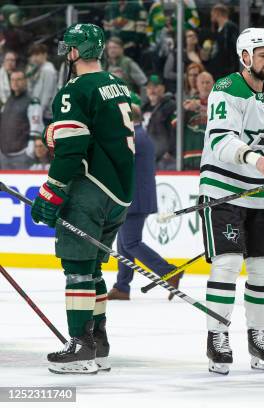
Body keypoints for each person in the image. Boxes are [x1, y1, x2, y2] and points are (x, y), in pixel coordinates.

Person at [30, 23, 135, 374]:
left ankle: (80, 347)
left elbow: (72, 147)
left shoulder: (75, 89)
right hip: (118, 195)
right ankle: (98, 343)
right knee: (92, 269)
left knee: (77, 269)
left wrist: (52, 191)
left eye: (68, 48)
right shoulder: (117, 85)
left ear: (75, 52)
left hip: (89, 191)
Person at [199, 28, 264, 375]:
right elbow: (221, 140)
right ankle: (217, 336)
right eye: (262, 55)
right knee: (227, 262)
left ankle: (258, 335)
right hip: (224, 188)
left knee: (263, 266)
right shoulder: (226, 89)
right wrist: (256, 161)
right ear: (245, 57)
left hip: (263, 193)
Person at [109, 93, 180, 301]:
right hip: (137, 198)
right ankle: (122, 286)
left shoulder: (133, 139)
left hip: (134, 200)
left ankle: (168, 272)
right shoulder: (142, 136)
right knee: (123, 244)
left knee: (130, 243)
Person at [0, 70, 43, 169]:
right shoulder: (7, 101)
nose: (15, 82)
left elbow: (36, 126)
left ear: (25, 81)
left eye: (18, 79)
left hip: (22, 155)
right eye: (13, 80)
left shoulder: (32, 101)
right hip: (4, 155)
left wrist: (30, 150)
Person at [142, 74, 177, 170]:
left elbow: (176, 130)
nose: (152, 90)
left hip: (164, 159)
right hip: (147, 157)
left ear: (163, 88)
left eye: (155, 87)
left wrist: (170, 151)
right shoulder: (143, 108)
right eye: (149, 87)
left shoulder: (171, 106)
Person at [181, 70, 213, 170]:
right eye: (202, 83)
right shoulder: (187, 103)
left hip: (213, 157)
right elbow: (174, 124)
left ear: (213, 84)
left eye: (208, 82)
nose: (205, 86)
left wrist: (201, 107)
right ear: (197, 85)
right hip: (191, 156)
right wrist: (184, 110)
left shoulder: (221, 103)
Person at [205, 4, 240, 80]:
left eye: (212, 13)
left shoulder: (230, 27)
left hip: (227, 70)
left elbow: (233, 50)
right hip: (219, 70)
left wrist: (233, 70)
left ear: (217, 13)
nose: (211, 16)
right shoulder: (219, 29)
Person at [26, 44, 58, 125]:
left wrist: (38, 112)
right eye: (32, 55)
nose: (34, 58)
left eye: (37, 54)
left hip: (45, 114)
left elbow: (47, 94)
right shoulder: (38, 68)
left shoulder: (48, 70)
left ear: (44, 54)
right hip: (38, 110)